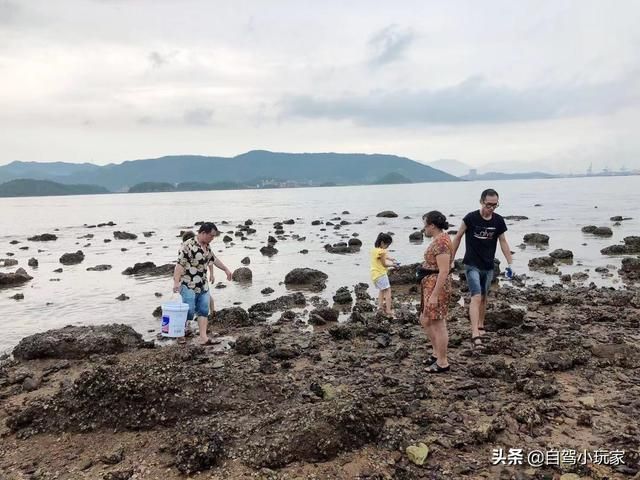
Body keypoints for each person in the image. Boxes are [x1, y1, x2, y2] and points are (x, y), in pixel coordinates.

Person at [451, 189, 514, 348]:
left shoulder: (498, 221)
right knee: (476, 296)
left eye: (495, 205)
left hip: (488, 265)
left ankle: (480, 325)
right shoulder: (470, 218)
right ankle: (474, 333)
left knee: (485, 297)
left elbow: (503, 241)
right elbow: (457, 237)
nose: (491, 208)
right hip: (472, 264)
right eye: (488, 205)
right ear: (481, 202)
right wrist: (451, 259)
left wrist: (510, 262)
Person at [173, 222, 232, 345]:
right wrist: (176, 282)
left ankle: (203, 337)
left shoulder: (207, 247)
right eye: (211, 236)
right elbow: (179, 265)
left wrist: (226, 269)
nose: (212, 238)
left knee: (203, 310)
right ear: (203, 233)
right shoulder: (187, 246)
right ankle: (180, 332)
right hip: (188, 284)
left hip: (203, 285)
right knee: (189, 310)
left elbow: (214, 259)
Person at [420, 211, 453, 373]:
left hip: (437, 287)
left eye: (425, 225)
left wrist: (434, 294)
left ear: (432, 225)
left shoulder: (442, 243)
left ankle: (442, 362)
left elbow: (444, 270)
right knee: (425, 320)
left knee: (438, 323)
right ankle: (436, 353)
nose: (423, 229)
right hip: (429, 285)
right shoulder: (438, 239)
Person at [181, 230, 217, 315]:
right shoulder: (185, 248)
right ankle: (191, 318)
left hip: (200, 278)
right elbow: (181, 265)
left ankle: (212, 311)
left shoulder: (203, 247)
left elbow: (210, 261)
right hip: (189, 279)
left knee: (205, 295)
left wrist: (212, 274)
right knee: (191, 298)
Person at [370, 232, 398, 316]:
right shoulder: (382, 251)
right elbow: (384, 264)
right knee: (388, 290)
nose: (387, 247)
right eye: (387, 245)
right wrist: (393, 265)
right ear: (382, 243)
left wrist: (391, 258)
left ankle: (380, 307)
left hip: (374, 274)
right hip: (381, 274)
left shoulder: (374, 250)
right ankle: (388, 310)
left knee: (381, 290)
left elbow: (381, 257)